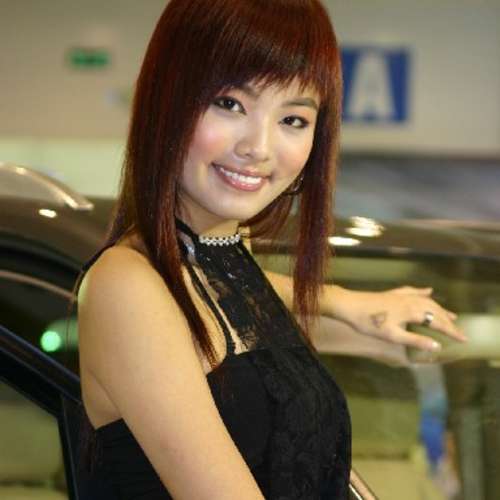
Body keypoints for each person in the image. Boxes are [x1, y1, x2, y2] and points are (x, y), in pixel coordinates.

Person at [74, 0, 465, 498]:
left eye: (294, 120)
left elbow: (235, 316)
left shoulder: (225, 258)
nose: (258, 147)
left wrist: (342, 302)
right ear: (166, 100)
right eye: (230, 103)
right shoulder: (126, 285)